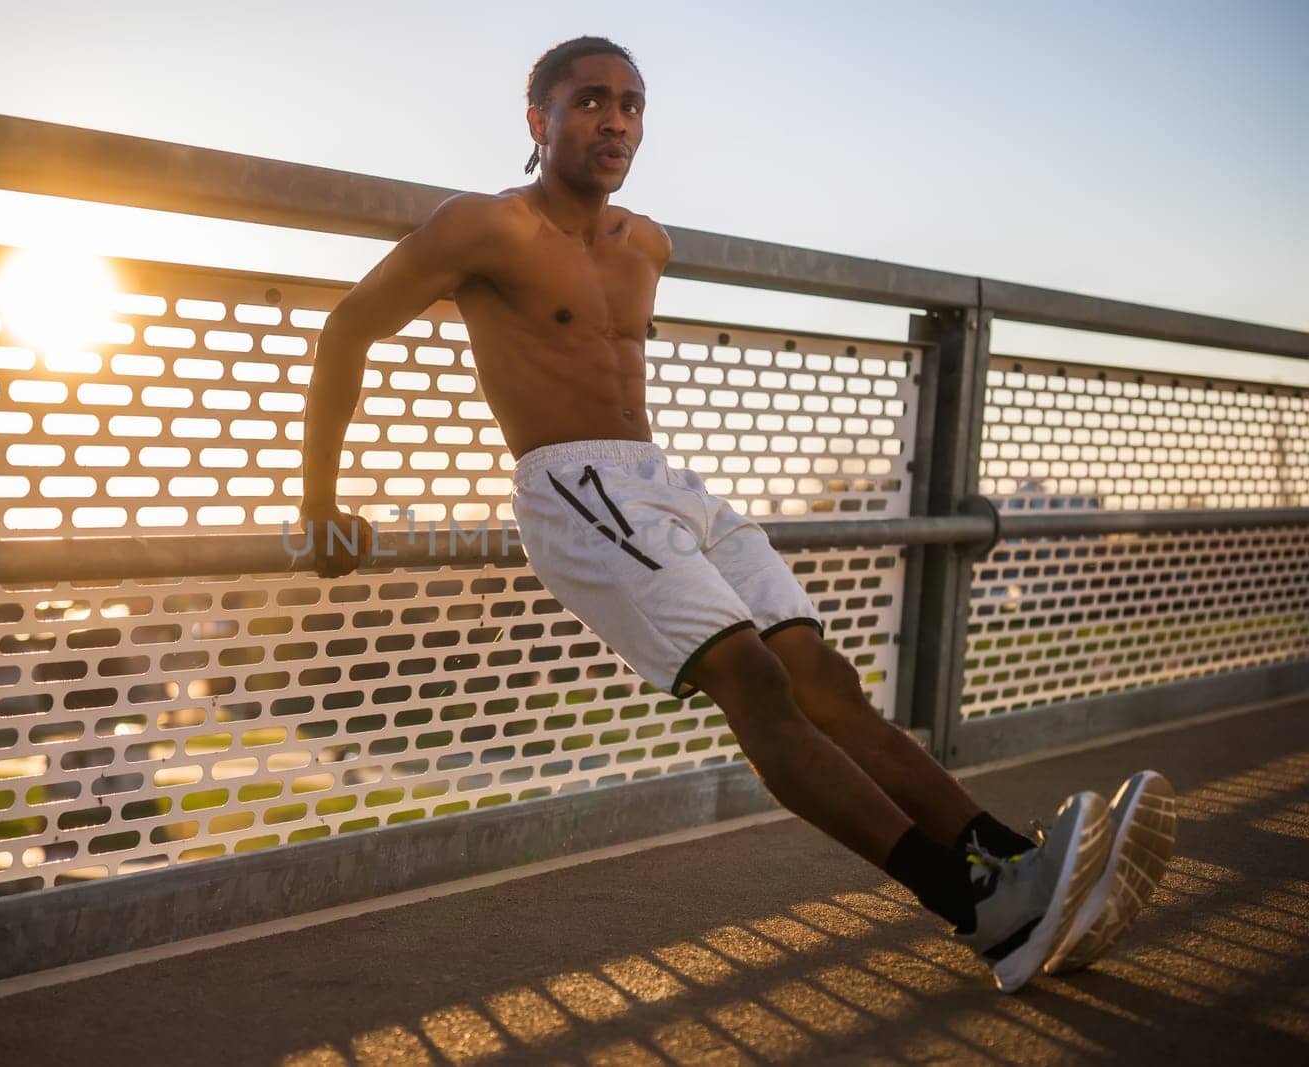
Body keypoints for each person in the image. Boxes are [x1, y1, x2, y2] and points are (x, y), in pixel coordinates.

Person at [297, 36, 1174, 992]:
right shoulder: (486, 229)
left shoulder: (647, 242)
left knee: (821, 675)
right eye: (590, 101)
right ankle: (980, 906)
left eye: (632, 104)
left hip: (666, 483)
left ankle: (1021, 864)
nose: (616, 121)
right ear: (536, 118)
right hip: (572, 488)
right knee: (752, 678)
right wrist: (321, 501)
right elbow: (349, 327)